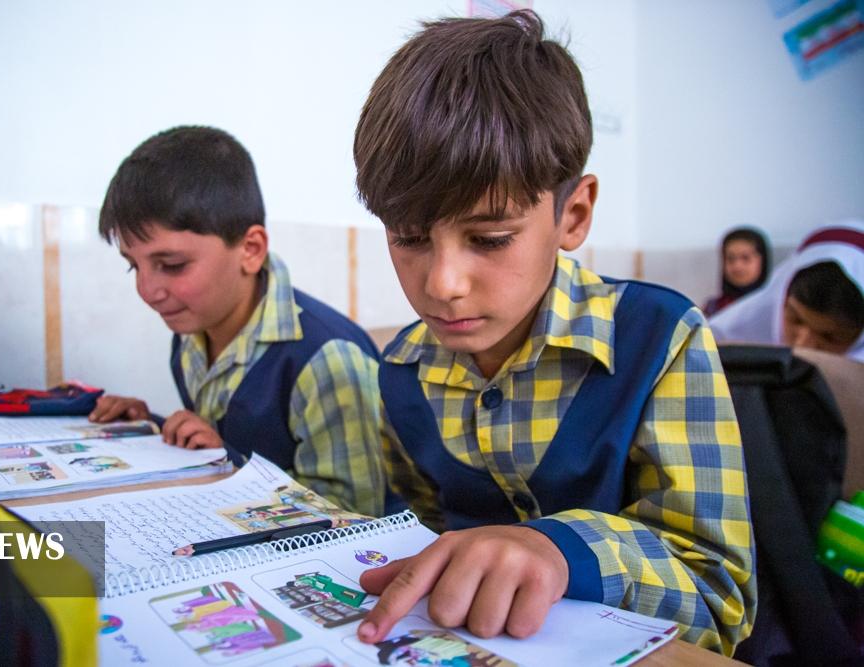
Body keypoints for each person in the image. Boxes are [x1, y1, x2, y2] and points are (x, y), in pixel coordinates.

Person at [351, 10, 756, 656]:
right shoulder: (400, 370)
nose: (444, 283)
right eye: (409, 237)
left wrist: (560, 551)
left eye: (490, 238)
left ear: (574, 214)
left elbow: (719, 598)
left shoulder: (660, 340)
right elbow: (417, 537)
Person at [89, 126, 387, 516]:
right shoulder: (192, 332)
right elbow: (216, 441)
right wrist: (149, 427)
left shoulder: (328, 360)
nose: (147, 290)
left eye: (172, 265)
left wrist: (231, 465)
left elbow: (356, 513)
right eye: (133, 267)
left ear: (250, 250)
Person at [710, 220, 864, 360]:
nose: (802, 346)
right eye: (796, 320)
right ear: (782, 298)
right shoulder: (720, 337)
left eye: (829, 337)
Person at [703, 227, 771, 316]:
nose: (737, 266)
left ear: (762, 261)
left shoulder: (777, 307)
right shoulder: (712, 309)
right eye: (730, 259)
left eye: (746, 258)